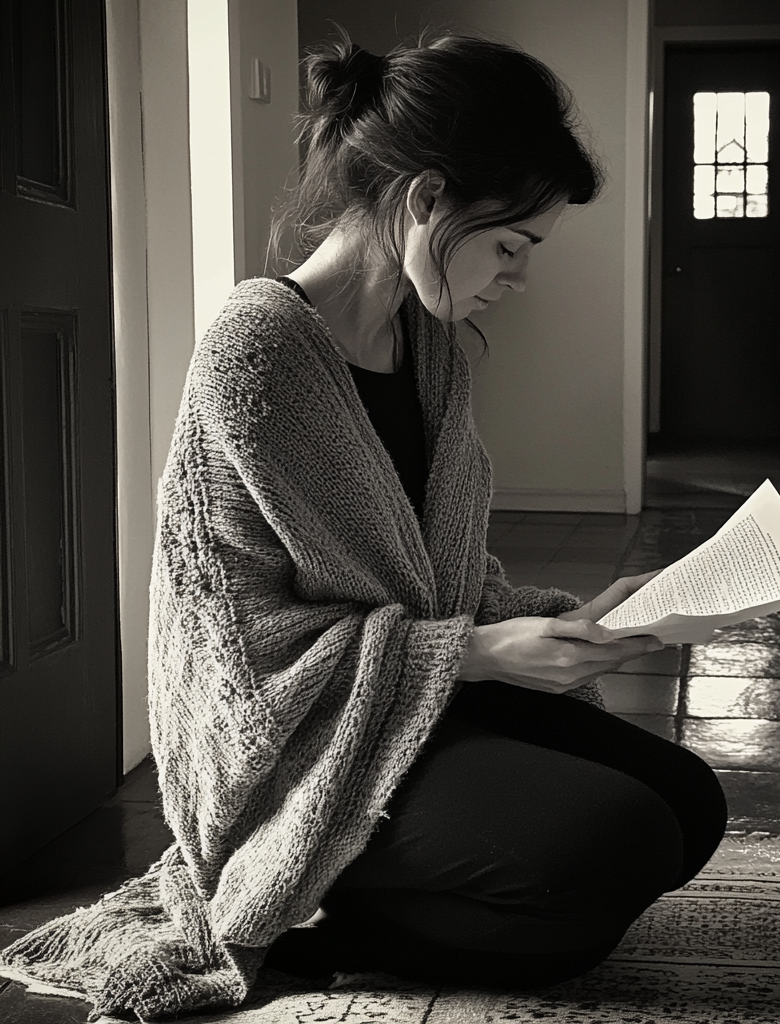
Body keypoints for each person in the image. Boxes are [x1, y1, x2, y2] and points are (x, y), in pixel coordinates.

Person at [0, 29, 726, 1020]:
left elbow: (441, 576)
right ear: (427, 199)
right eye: (510, 244)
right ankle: (309, 924)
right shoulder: (258, 349)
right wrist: (472, 654)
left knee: (687, 807)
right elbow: (236, 658)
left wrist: (575, 621)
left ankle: (393, 887)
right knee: (610, 846)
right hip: (297, 742)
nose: (516, 277)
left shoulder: (433, 350)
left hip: (405, 697)